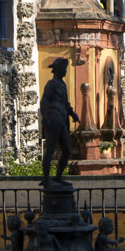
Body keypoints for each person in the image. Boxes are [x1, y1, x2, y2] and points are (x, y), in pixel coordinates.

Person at [40, 57, 80, 188]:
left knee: (67, 151)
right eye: (63, 68)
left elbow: (65, 102)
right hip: (54, 118)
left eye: (65, 68)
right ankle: (46, 179)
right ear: (56, 70)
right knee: (50, 150)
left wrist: (72, 113)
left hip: (63, 119)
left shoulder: (62, 84)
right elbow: (44, 101)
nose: (65, 71)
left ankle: (58, 177)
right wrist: (45, 118)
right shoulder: (51, 84)